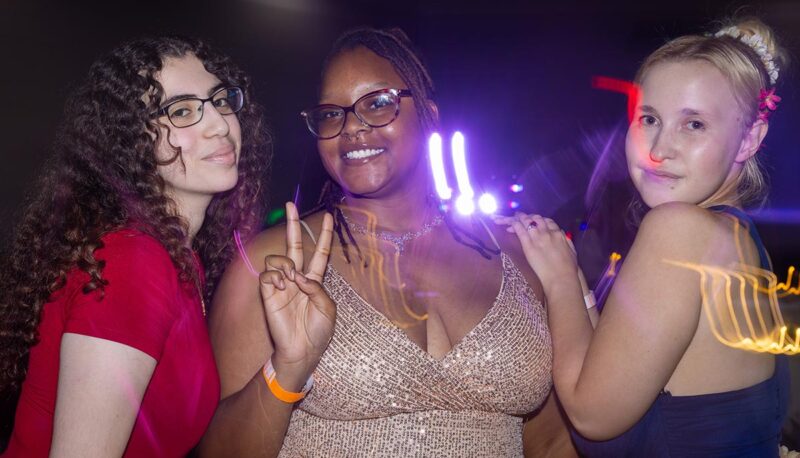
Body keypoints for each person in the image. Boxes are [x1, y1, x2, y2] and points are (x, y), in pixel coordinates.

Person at [200, 27, 575, 457]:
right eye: (331, 114)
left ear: (430, 115)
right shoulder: (275, 262)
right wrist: (286, 370)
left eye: (378, 103)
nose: (351, 128)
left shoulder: (517, 252)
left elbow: (550, 442)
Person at [500, 18, 790, 455]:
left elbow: (592, 414)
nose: (657, 149)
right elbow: (619, 370)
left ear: (750, 138)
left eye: (693, 125)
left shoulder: (679, 229)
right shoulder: (734, 237)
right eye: (649, 118)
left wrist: (559, 279)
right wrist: (576, 283)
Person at [0, 35, 270, 456]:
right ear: (130, 142)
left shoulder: (178, 259)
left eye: (219, 100)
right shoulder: (134, 261)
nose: (219, 123)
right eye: (181, 111)